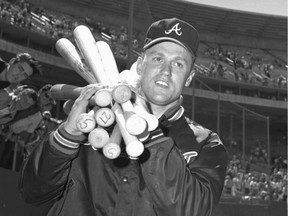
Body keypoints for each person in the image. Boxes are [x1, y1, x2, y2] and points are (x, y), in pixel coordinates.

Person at [19, 18, 228, 216]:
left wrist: (150, 134)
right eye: (157, 58)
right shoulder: (91, 119)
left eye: (178, 64)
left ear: (189, 77)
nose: (166, 70)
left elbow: (192, 211)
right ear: (140, 64)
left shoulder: (206, 144)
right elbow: (32, 192)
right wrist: (65, 137)